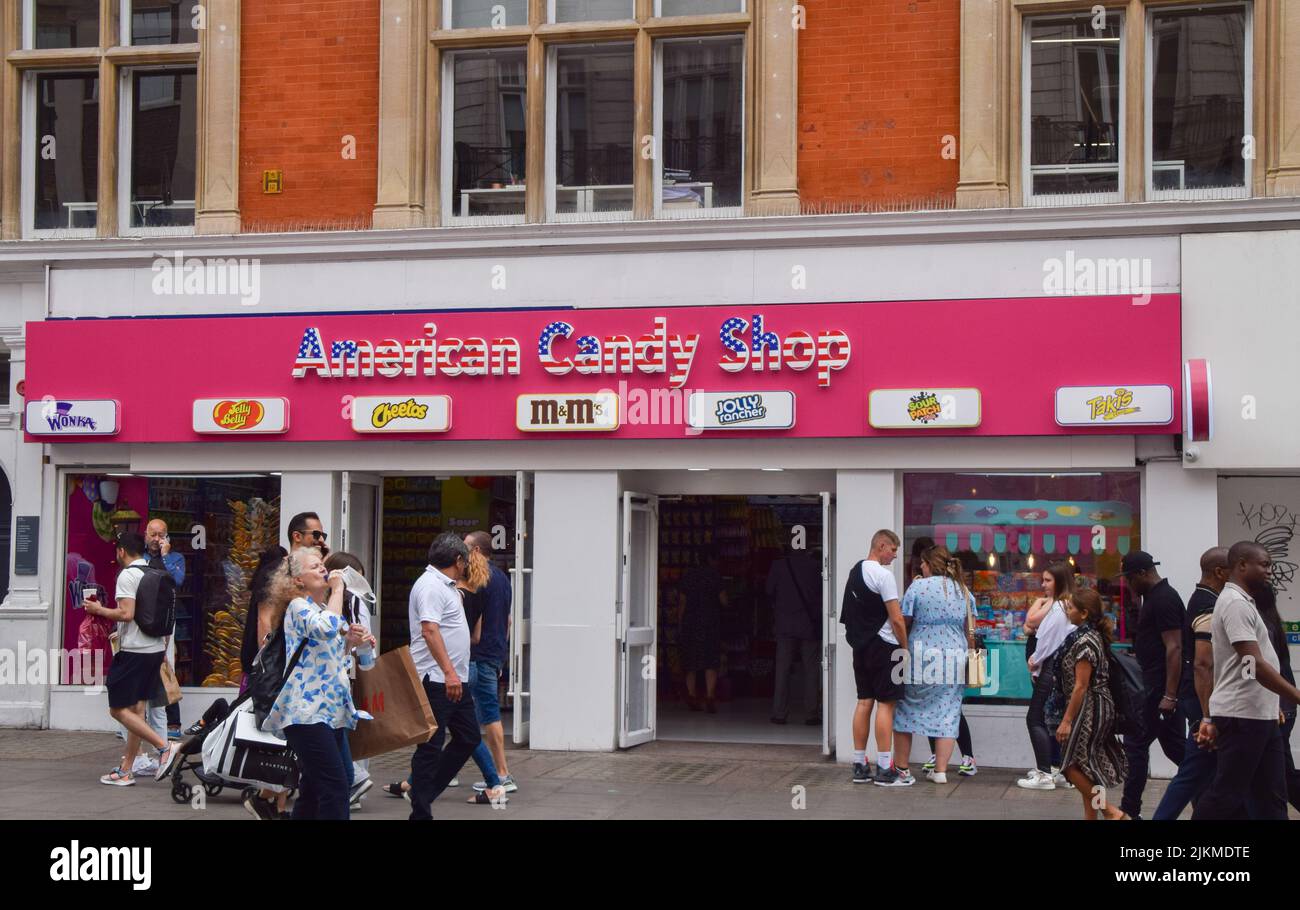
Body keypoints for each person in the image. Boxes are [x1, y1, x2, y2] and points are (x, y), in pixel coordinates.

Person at [262, 548, 373, 820]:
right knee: (337, 787)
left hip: (329, 713)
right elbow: (324, 629)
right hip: (306, 713)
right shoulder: (298, 607)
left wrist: (350, 643)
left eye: (322, 565)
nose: (323, 569)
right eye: (314, 567)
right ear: (298, 580)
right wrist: (337, 590)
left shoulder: (320, 609)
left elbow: (332, 657)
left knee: (312, 787)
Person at [1192, 542, 1300, 820]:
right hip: (1243, 716)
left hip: (1259, 714)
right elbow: (1253, 664)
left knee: (1272, 795)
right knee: (1226, 794)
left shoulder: (1244, 602)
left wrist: (1271, 701)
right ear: (1241, 565)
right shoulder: (1235, 604)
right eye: (1263, 564)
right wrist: (1296, 696)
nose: (1269, 571)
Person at [83, 532, 183, 786]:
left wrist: (98, 610)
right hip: (153, 650)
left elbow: (126, 614)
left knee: (118, 708)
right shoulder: (151, 572)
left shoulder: (127, 575)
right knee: (138, 711)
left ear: (121, 551)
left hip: (134, 651)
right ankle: (126, 769)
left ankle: (164, 748)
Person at [408, 533, 487, 820]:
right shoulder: (430, 586)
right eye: (465, 561)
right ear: (457, 560)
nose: (467, 566)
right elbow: (430, 630)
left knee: (467, 737)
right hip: (438, 680)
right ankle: (420, 810)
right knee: (430, 745)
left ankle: (422, 792)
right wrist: (449, 672)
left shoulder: (446, 586)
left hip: (455, 680)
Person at [1152, 547, 1229, 820]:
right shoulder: (1208, 605)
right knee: (1194, 770)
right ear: (1220, 572)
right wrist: (1207, 714)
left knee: (1206, 770)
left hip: (1199, 699)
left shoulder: (1206, 599)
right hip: (1201, 700)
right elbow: (1202, 664)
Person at [892, 546, 972, 784]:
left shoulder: (917, 587)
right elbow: (970, 626)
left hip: (921, 656)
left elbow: (903, 619)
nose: (921, 569)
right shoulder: (963, 590)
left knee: (905, 709)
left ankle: (903, 769)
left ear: (928, 564)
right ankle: (940, 772)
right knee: (948, 713)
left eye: (923, 565)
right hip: (955, 656)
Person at [1119, 550, 1186, 819]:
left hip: (1159, 690)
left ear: (1142, 574)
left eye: (1129, 578)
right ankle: (1215, 790)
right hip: (1155, 686)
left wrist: (1169, 695)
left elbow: (1175, 647)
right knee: (1176, 749)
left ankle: (1129, 811)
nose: (1127, 584)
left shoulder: (1164, 599)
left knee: (1135, 745)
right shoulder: (1154, 598)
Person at [1054, 588, 1129, 820]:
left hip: (1090, 708)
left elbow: (1081, 685)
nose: (1068, 610)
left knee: (1069, 766)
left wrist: (1066, 721)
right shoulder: (1088, 635)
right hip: (1094, 705)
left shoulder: (1086, 641)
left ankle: (1111, 812)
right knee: (1087, 768)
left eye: (1072, 607)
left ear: (1084, 613)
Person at [840, 529, 907, 785]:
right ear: (881, 545)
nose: (894, 556)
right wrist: (905, 647)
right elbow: (897, 618)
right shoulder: (883, 575)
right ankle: (884, 768)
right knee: (886, 704)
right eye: (893, 550)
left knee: (864, 701)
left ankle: (859, 763)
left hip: (861, 647)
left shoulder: (855, 571)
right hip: (885, 647)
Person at [323, 550, 378, 812]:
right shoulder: (325, 601)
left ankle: (352, 779)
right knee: (339, 729)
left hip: (337, 678)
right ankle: (351, 779)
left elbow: (363, 645)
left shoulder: (347, 601)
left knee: (340, 729)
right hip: (341, 677)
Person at [464, 531, 518, 796]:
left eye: (465, 547)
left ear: (476, 551)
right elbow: (507, 619)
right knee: (468, 717)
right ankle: (446, 771)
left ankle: (501, 774)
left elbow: (477, 620)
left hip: (478, 654)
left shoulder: (478, 577)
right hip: (494, 652)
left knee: (487, 714)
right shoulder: (503, 578)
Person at [1018, 563, 1074, 790]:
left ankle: (1044, 773)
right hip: (1057, 670)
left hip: (1050, 669)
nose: (1043, 585)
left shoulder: (1059, 608)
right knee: (1053, 720)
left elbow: (1046, 640)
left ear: (1059, 581)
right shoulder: (1067, 605)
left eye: (1048, 580)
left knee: (1035, 718)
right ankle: (1057, 768)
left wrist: (1035, 661)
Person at [1251, 583, 1300, 815]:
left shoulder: (1261, 626)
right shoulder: (1272, 622)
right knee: (1279, 772)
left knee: (1278, 776)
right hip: (1283, 707)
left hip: (1277, 707)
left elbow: (1261, 669)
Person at [767, 546, 821, 726]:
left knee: (782, 669)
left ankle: (779, 712)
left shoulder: (778, 565)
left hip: (785, 625)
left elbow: (768, 591)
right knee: (811, 669)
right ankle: (811, 713)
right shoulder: (815, 566)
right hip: (808, 625)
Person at [145, 518, 185, 741]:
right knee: (143, 666)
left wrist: (166, 557)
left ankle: (173, 721)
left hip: (166, 621)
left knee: (166, 668)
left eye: (161, 535)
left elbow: (177, 580)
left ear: (167, 537)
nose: (156, 539)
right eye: (153, 534)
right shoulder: (139, 558)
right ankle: (138, 720)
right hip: (142, 619)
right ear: (145, 534)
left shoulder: (175, 558)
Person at [678, 553, 727, 713]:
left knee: (690, 660)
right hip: (710, 623)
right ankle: (710, 696)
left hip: (690, 622)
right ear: (712, 559)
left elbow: (682, 602)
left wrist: (680, 623)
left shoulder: (689, 576)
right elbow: (724, 600)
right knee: (711, 660)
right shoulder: (715, 576)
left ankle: (691, 695)